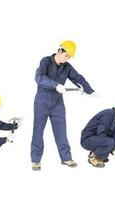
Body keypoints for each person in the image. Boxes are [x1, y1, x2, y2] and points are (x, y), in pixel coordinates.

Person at [31, 40, 97, 171]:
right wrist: (55, 85)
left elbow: (78, 78)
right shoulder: (46, 61)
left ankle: (66, 158)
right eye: (66, 56)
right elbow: (39, 77)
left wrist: (90, 91)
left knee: (61, 131)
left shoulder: (67, 66)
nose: (67, 59)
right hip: (42, 102)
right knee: (38, 131)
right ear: (60, 51)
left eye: (69, 57)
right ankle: (36, 161)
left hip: (57, 103)